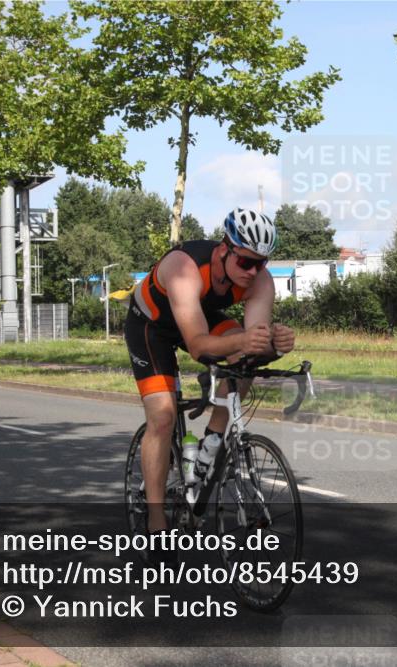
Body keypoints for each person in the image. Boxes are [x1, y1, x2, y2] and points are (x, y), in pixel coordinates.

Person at [125, 208, 295, 536]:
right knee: (162, 417)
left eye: (262, 263)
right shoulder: (184, 268)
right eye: (245, 261)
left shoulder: (258, 279)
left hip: (199, 316)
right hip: (151, 326)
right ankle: (156, 523)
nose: (253, 271)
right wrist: (246, 340)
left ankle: (210, 444)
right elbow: (199, 346)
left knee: (246, 358)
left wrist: (275, 345)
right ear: (223, 249)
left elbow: (254, 345)